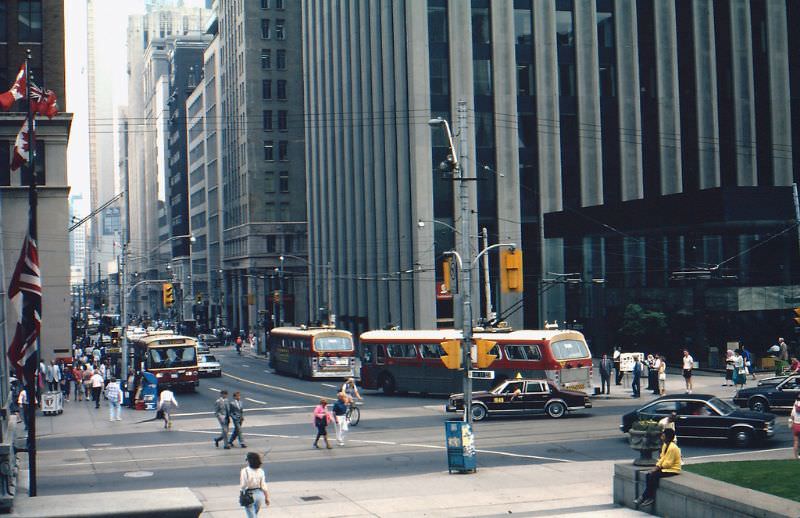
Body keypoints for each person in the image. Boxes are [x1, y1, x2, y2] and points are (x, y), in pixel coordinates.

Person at [633, 428, 681, 508]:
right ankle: (648, 496)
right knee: (649, 475)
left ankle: (645, 497)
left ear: (667, 437)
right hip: (665, 468)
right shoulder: (665, 445)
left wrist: (657, 468)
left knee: (653, 475)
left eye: (663, 435)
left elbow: (668, 463)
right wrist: (657, 466)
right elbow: (662, 458)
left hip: (673, 469)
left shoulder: (673, 448)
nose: (661, 436)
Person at [239, 451, 270, 518]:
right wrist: (267, 497)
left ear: (249, 461)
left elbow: (243, 485)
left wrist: (241, 491)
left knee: (251, 516)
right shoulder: (261, 471)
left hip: (249, 495)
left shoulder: (245, 471)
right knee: (254, 514)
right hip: (260, 495)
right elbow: (263, 485)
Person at [790, 394, 800, 460]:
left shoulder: (795, 406)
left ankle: (796, 457)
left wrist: (792, 424)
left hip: (796, 425)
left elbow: (792, 416)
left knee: (796, 441)